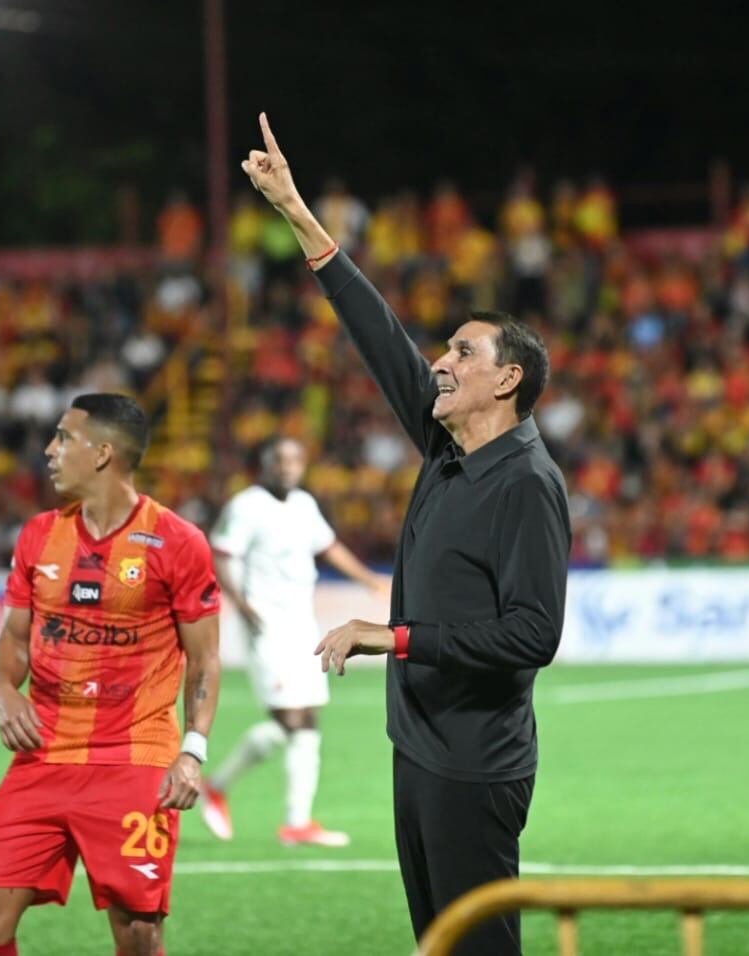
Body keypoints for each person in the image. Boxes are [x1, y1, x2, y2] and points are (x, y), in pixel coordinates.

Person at [242, 114, 570, 955]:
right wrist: (297, 213)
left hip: (475, 762)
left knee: (479, 947)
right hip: (417, 745)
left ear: (508, 378)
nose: (440, 360)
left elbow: (534, 634)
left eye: (463, 350)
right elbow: (378, 336)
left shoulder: (528, 484)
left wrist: (393, 638)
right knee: (436, 945)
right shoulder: (444, 445)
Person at [0, 393, 221, 956]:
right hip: (44, 754)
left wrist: (193, 751)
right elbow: (12, 638)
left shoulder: (177, 542)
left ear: (103, 453)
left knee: (138, 932)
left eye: (63, 438)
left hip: (134, 757)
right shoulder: (38, 535)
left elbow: (203, 659)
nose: (49, 451)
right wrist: (5, 691)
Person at [200, 435, 388, 847]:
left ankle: (291, 819)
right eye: (279, 459)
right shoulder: (246, 505)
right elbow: (221, 554)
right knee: (291, 720)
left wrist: (370, 580)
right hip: (267, 627)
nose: (287, 467)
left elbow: (330, 547)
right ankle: (228, 791)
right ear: (264, 464)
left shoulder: (303, 504)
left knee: (306, 723)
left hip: (302, 625)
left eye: (295, 459)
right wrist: (242, 605)